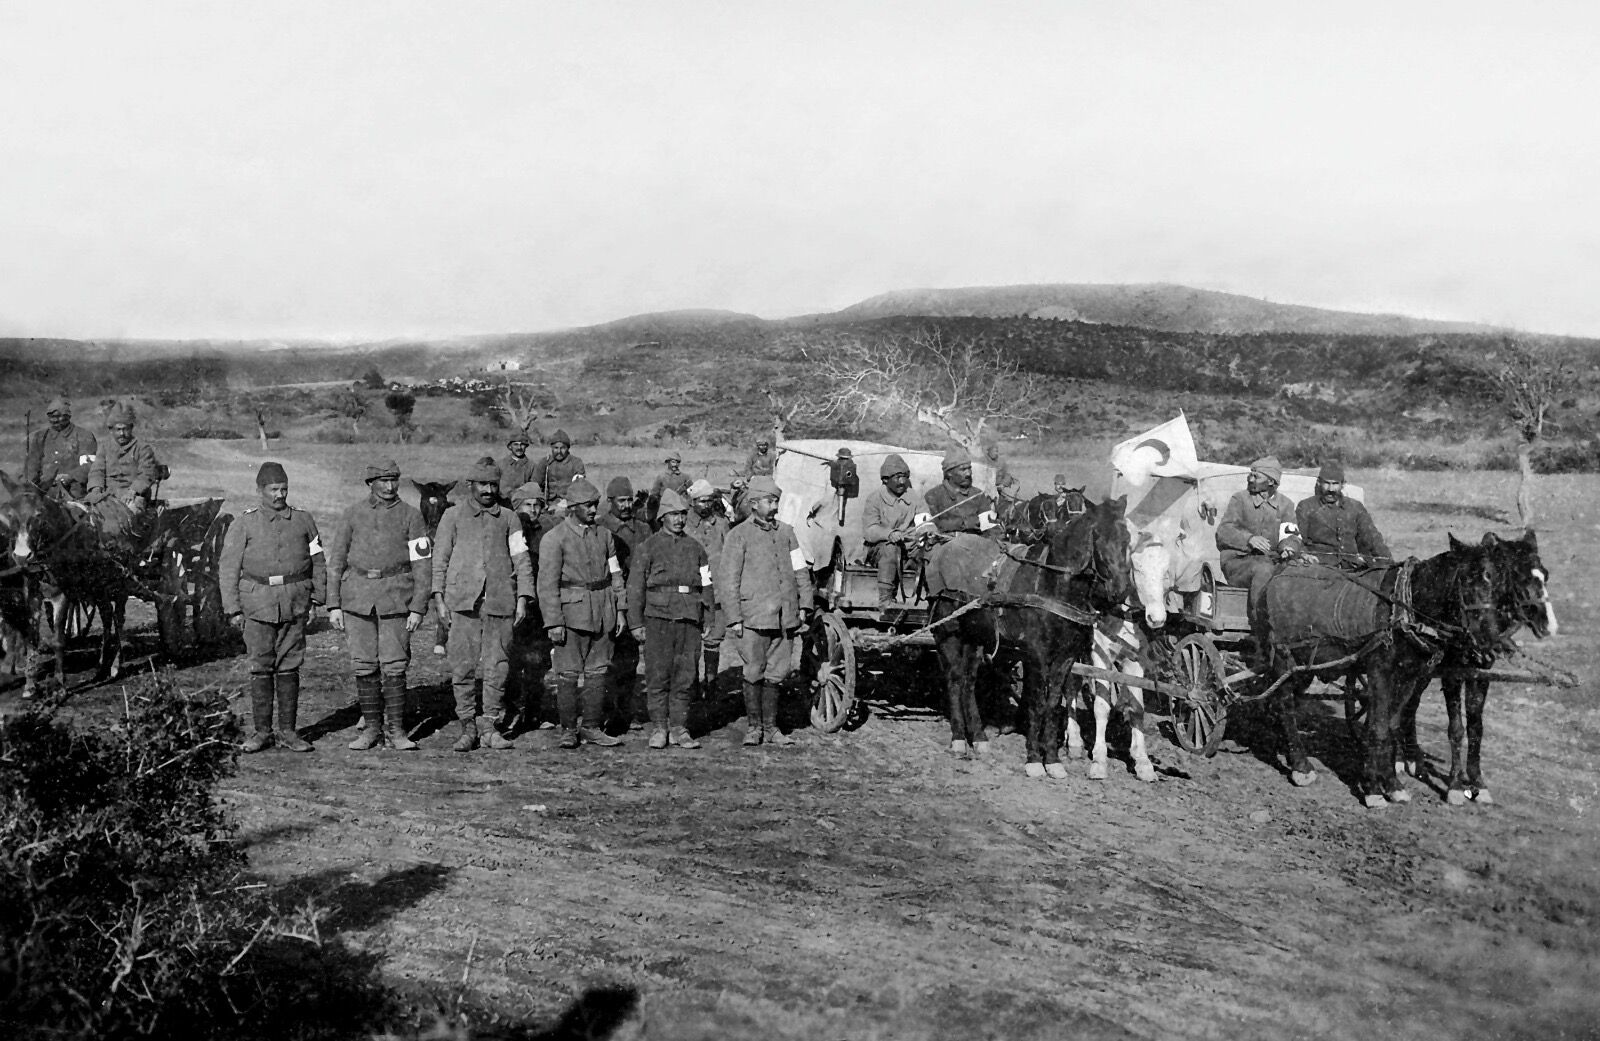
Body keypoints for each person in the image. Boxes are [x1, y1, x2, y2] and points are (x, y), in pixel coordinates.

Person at [219, 461, 327, 753]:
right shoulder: (244, 523)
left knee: (290, 664)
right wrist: (233, 609)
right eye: (273, 490)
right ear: (260, 491)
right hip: (257, 603)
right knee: (261, 665)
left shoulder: (304, 520)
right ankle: (262, 732)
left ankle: (289, 733)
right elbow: (228, 567)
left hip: (295, 602)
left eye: (284, 489)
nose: (279, 495)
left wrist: (317, 599)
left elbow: (318, 562)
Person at [325, 457, 431, 751]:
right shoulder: (352, 515)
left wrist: (418, 606)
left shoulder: (411, 516)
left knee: (395, 665)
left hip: (397, 598)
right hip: (357, 599)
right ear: (370, 484)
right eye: (382, 480)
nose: (389, 486)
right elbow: (336, 563)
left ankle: (396, 731)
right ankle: (371, 729)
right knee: (363, 663)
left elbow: (422, 566)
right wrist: (333, 603)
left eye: (393, 479)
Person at [431, 459, 534, 752]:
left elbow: (522, 560)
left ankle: (489, 726)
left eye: (493, 485)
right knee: (462, 667)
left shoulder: (510, 518)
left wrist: (524, 596)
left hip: (500, 602)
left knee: (497, 666)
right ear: (470, 485)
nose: (489, 490)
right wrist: (439, 598)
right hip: (462, 603)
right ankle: (468, 726)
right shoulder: (452, 516)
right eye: (483, 485)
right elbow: (440, 559)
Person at [717, 476, 814, 747]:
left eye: (776, 502)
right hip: (753, 617)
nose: (774, 507)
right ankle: (754, 728)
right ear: (753, 503)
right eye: (769, 502)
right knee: (753, 670)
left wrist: (804, 604)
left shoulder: (787, 533)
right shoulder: (738, 536)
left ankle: (772, 729)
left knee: (777, 672)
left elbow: (800, 571)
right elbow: (728, 580)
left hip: (785, 617)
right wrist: (734, 617)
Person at [538, 477, 627, 749]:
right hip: (571, 615)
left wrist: (620, 609)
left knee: (598, 671)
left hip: (603, 611)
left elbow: (616, 574)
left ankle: (591, 727)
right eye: (588, 506)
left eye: (595, 505)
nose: (593, 510)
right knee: (567, 673)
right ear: (573, 507)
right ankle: (568, 730)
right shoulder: (555, 539)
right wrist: (553, 621)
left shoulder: (605, 535)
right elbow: (547, 584)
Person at [627, 489, 713, 749]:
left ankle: (679, 727)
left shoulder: (696, 548)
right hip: (658, 618)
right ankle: (659, 728)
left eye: (682, 515)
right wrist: (636, 622)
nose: (679, 520)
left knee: (685, 675)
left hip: (689, 617)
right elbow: (635, 587)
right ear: (662, 516)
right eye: (673, 515)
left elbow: (707, 583)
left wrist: (709, 616)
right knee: (658, 674)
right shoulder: (648, 547)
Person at [1215, 456, 1297, 624]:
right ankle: (1261, 624)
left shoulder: (1286, 505)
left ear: (1271, 482)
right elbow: (1223, 531)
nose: (1250, 479)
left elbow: (1290, 534)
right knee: (1263, 570)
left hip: (1272, 562)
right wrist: (1249, 539)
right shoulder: (1240, 499)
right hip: (1237, 564)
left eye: (1256, 476)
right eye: (1250, 475)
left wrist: (1289, 547)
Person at [600, 476, 652, 729]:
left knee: (629, 660)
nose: (626, 505)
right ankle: (603, 711)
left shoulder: (643, 529)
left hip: (635, 600)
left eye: (629, 500)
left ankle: (624, 711)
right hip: (607, 598)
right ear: (610, 501)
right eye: (621, 500)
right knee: (604, 658)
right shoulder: (600, 527)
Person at [86, 403, 160, 541]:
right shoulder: (105, 447)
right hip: (107, 496)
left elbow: (147, 474)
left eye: (125, 429)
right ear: (111, 430)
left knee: (127, 520)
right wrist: (96, 489)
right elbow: (97, 470)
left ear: (131, 428)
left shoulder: (142, 448)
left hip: (132, 497)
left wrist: (133, 490)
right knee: (86, 517)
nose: (122, 433)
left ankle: (127, 548)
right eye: (118, 429)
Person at [1296, 460, 1390, 568]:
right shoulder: (1306, 507)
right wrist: (1304, 555)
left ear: (1343, 484)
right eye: (1326, 483)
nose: (1330, 489)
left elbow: (1372, 538)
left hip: (1352, 569)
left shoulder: (1355, 508)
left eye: (1335, 484)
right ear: (1319, 482)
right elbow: (1297, 539)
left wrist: (1388, 562)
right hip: (1320, 569)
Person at [861, 453, 924, 609]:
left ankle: (930, 598)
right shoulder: (874, 499)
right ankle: (885, 600)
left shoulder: (914, 497)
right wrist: (889, 534)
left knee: (930, 550)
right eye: (897, 477)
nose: (902, 481)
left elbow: (925, 520)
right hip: (880, 551)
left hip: (908, 549)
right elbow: (869, 530)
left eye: (904, 477)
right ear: (885, 480)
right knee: (890, 548)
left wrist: (926, 533)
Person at [25, 396, 97, 501]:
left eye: (59, 416)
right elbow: (32, 467)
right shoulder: (39, 438)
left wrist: (69, 477)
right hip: (44, 492)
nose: (55, 420)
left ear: (68, 416)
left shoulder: (84, 436)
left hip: (74, 491)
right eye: (52, 416)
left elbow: (89, 465)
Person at [921, 449, 997, 537]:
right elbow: (931, 530)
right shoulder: (933, 496)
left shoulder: (978, 495)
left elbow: (990, 526)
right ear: (949, 473)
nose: (968, 473)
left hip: (976, 543)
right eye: (963, 469)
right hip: (946, 544)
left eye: (969, 468)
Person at [530, 428, 587, 507]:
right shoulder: (545, 462)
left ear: (568, 448)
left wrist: (568, 502)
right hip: (548, 504)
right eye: (556, 448)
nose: (559, 451)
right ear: (552, 448)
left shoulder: (576, 462)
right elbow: (535, 484)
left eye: (563, 448)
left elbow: (579, 487)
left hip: (569, 503)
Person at [647, 449, 693, 527]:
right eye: (673, 462)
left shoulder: (685, 477)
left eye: (677, 462)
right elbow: (654, 494)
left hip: (681, 509)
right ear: (668, 462)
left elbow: (692, 493)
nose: (675, 465)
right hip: (665, 509)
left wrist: (686, 502)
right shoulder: (661, 477)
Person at [500, 432, 536, 498]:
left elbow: (534, 489)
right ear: (510, 446)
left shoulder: (532, 466)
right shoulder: (500, 464)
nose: (519, 447)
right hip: (504, 503)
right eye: (515, 444)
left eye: (522, 444)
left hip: (523, 502)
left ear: (526, 446)